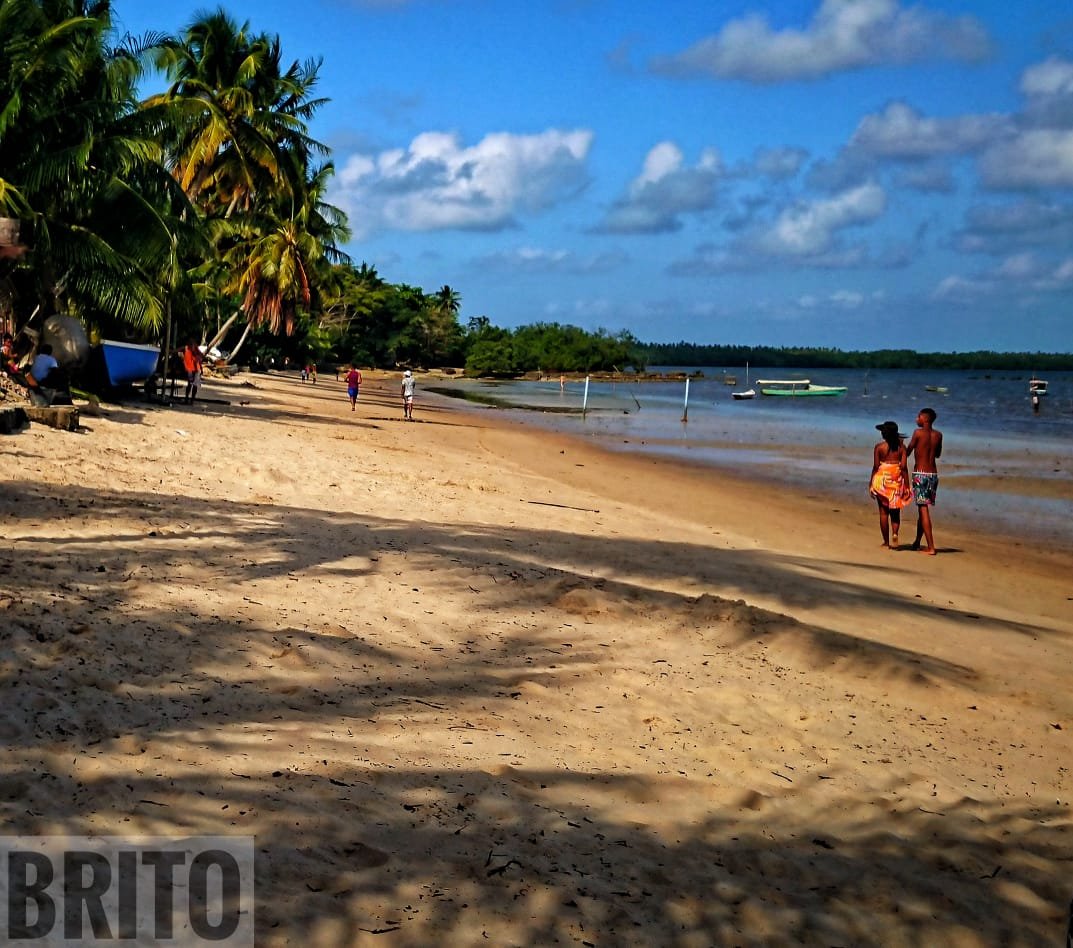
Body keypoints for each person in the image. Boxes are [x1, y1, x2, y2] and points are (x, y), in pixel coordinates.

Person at [869, 420, 912, 549]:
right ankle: (895, 533)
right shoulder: (902, 448)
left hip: (881, 480)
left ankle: (886, 542)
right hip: (895, 480)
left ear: (884, 434)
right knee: (895, 512)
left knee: (883, 513)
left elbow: (876, 466)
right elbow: (903, 468)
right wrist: (907, 486)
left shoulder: (879, 447)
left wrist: (871, 483)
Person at [906, 407, 943, 555]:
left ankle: (931, 547)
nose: (917, 419)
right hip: (933, 474)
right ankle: (917, 541)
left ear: (925, 419)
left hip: (920, 474)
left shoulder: (918, 433)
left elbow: (908, 451)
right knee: (923, 509)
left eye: (919, 416)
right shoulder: (938, 435)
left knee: (923, 509)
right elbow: (938, 454)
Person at [181, 339, 204, 404]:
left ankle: (191, 400)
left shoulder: (196, 351)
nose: (191, 347)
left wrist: (198, 359)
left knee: (194, 385)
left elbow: (201, 357)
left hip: (196, 370)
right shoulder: (186, 348)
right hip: (190, 369)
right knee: (190, 384)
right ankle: (187, 399)